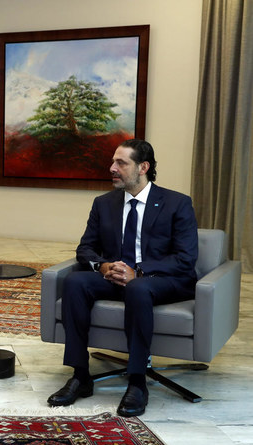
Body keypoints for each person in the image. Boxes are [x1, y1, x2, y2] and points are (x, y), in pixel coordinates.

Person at [47, 139, 198, 417]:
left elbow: (185, 258)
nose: (112, 168)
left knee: (138, 288)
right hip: (116, 277)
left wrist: (138, 271)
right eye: (113, 162)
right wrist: (104, 266)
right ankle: (80, 375)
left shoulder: (176, 203)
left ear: (143, 167)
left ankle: (137, 381)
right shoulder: (104, 203)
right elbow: (85, 249)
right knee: (75, 282)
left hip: (162, 280)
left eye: (121, 163)